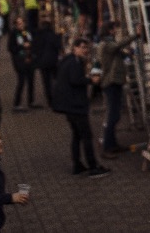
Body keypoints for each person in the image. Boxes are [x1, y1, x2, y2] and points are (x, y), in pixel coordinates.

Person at [52, 37, 111, 178]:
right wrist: (91, 80)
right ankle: (93, 167)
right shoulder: (74, 63)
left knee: (77, 136)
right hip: (76, 106)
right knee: (86, 136)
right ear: (75, 48)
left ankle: (77, 164)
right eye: (83, 47)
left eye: (86, 48)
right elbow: (75, 80)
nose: (85, 51)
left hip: (69, 106)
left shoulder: (69, 60)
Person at [97, 20, 142, 157]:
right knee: (113, 115)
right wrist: (136, 35)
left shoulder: (108, 45)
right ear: (109, 30)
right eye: (114, 29)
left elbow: (119, 52)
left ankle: (112, 144)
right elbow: (117, 46)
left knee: (115, 115)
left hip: (115, 82)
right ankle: (107, 147)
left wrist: (129, 54)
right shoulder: (106, 44)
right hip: (111, 83)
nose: (116, 31)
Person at [7, 16, 37, 111]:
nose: (21, 25)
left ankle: (31, 101)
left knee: (31, 80)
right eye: (18, 24)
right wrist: (21, 46)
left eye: (22, 23)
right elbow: (11, 48)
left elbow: (34, 42)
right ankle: (17, 103)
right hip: (20, 61)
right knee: (21, 81)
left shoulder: (28, 31)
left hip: (30, 59)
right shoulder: (13, 34)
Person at [33, 19, 62, 107]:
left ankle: (49, 99)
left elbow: (34, 49)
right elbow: (58, 45)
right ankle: (57, 97)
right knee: (56, 79)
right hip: (53, 61)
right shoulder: (53, 35)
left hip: (42, 62)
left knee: (46, 82)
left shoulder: (37, 36)